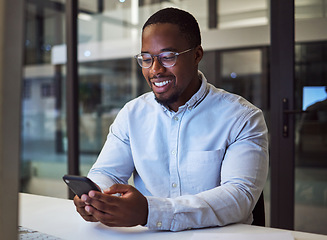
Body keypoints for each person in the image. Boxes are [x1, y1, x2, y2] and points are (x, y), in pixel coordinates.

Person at [73, 7, 269, 232]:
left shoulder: (242, 117)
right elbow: (106, 173)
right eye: (146, 58)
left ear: (197, 55)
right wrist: (96, 197)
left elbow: (239, 197)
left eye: (167, 57)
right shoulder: (132, 114)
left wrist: (150, 212)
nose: (155, 70)